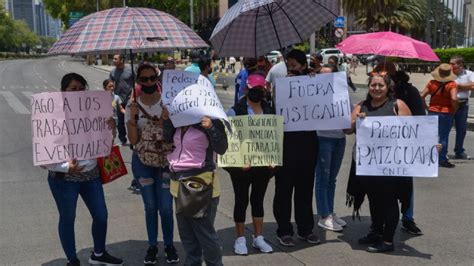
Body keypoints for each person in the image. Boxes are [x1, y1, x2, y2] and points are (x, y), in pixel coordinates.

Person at [45, 73, 123, 266]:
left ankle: (98, 253)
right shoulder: (53, 115)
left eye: (81, 88)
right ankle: (72, 259)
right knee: (68, 217)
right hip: (64, 179)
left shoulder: (94, 111)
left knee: (101, 215)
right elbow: (44, 151)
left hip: (91, 176)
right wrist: (65, 167)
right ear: (64, 91)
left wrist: (111, 128)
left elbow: (106, 143)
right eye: (73, 89)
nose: (78, 92)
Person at [345, 72, 413, 253]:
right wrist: (355, 120)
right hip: (365, 163)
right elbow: (347, 130)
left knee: (389, 201)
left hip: (389, 163)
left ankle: (388, 241)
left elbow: (414, 132)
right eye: (373, 85)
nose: (376, 88)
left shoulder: (397, 105)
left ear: (388, 87)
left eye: (380, 85)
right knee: (374, 199)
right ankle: (376, 232)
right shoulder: (361, 105)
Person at [126, 63, 179, 265]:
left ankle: (169, 245)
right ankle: (152, 245)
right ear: (138, 81)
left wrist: (166, 121)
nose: (148, 82)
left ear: (157, 79)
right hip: (143, 163)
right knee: (150, 207)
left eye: (152, 78)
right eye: (144, 79)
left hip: (166, 162)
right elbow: (132, 140)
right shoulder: (133, 105)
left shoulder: (168, 103)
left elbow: (177, 134)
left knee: (166, 207)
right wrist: (132, 118)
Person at [163, 114, 228, 266]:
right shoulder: (178, 118)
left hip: (200, 186)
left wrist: (211, 127)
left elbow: (222, 148)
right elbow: (167, 139)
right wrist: (167, 120)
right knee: (187, 235)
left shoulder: (211, 119)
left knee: (205, 235)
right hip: (177, 185)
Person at [273, 49, 320, 247]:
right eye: (288, 66)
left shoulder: (313, 80)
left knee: (305, 189)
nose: (291, 69)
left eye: (294, 65)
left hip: (308, 144)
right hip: (285, 144)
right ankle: (284, 230)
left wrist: (312, 81)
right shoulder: (282, 85)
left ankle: (305, 229)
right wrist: (284, 87)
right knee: (283, 189)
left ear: (303, 65)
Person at [373, 62, 425, 235]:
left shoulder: (409, 92)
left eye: (382, 78)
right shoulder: (373, 95)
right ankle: (378, 224)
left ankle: (407, 218)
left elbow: (419, 119)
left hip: (402, 149)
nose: (377, 84)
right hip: (380, 151)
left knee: (405, 185)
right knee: (380, 189)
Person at [225, 74, 275, 255]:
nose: (256, 93)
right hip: (241, 167)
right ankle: (240, 238)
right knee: (241, 200)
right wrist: (239, 162)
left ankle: (258, 237)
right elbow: (229, 142)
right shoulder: (234, 111)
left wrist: (272, 160)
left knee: (258, 200)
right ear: (246, 89)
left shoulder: (269, 110)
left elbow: (273, 138)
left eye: (259, 90)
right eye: (252, 89)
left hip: (263, 166)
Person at [314, 65, 347, 232]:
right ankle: (323, 215)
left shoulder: (341, 93)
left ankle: (330, 211)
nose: (326, 78)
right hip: (323, 139)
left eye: (330, 75)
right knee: (322, 178)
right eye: (322, 75)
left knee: (332, 179)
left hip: (339, 139)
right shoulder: (313, 94)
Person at [420, 63, 458, 168]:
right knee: (443, 137)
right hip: (446, 113)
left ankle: (427, 157)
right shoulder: (452, 84)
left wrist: (426, 107)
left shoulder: (432, 83)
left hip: (432, 111)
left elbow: (421, 95)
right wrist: (455, 109)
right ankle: (441, 159)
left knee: (430, 136)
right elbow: (454, 98)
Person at [450, 55, 474, 159]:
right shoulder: (447, 73)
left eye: (452, 64)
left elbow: (473, 86)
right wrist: (466, 86)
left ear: (460, 65)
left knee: (461, 129)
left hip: (463, 104)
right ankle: (442, 152)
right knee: (445, 129)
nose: (450, 65)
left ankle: (459, 151)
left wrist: (457, 86)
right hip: (450, 103)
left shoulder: (469, 73)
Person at [109, 54, 133, 146]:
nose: (113, 60)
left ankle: (133, 140)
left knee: (130, 120)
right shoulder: (113, 72)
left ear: (122, 60)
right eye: (113, 58)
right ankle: (123, 139)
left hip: (129, 99)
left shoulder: (130, 71)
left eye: (115, 59)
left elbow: (136, 83)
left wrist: (132, 96)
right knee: (120, 121)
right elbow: (109, 84)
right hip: (117, 99)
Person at [103, 79, 126, 143]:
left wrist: (129, 114)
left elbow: (121, 109)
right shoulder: (100, 97)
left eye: (113, 86)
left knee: (112, 137)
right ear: (104, 87)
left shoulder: (116, 97)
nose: (112, 88)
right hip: (103, 121)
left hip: (114, 121)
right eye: (110, 86)